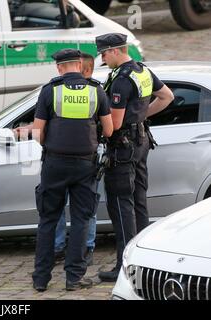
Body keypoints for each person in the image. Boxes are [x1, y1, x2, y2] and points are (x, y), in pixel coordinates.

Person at [31, 49, 113, 292]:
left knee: (48, 219)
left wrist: (51, 142)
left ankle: (41, 279)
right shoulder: (96, 90)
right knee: (80, 220)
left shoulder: (50, 90)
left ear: (59, 68)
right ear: (80, 64)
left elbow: (37, 132)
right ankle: (74, 278)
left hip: (54, 163)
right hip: (85, 166)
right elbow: (108, 131)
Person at [95, 33, 174, 282]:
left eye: (105, 54)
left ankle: (125, 265)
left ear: (116, 51)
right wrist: (141, 117)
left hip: (123, 147)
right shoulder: (142, 71)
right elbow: (167, 97)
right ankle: (143, 259)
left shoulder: (121, 80)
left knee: (121, 206)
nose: (103, 59)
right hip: (140, 142)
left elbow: (115, 123)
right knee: (139, 201)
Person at [54, 53, 100, 266]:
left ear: (85, 69)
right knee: (83, 208)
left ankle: (78, 248)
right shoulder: (96, 92)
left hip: (70, 159)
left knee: (80, 208)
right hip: (84, 159)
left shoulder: (94, 92)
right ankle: (79, 249)